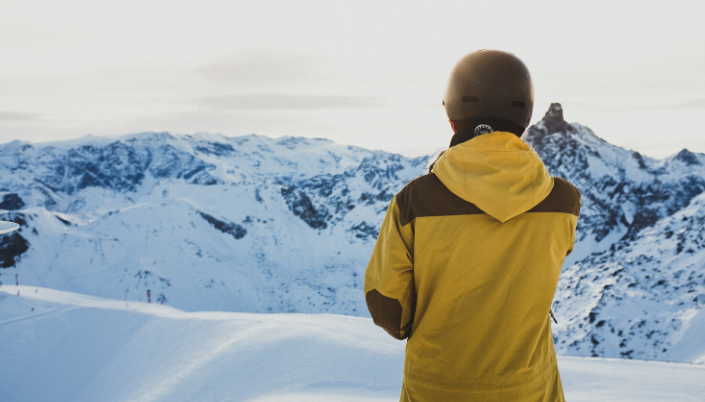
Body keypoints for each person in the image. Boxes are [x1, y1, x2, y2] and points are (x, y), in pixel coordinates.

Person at [364, 49, 580, 402]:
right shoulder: (563, 203)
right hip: (529, 389)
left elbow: (389, 309)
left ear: (452, 117)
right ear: (524, 118)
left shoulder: (414, 202)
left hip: (435, 388)